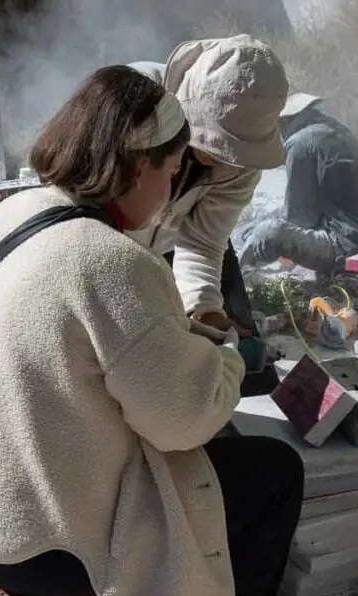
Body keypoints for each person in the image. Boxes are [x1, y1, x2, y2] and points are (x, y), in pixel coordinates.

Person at [0, 66, 309, 596]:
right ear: (140, 166)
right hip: (43, 551)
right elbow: (181, 421)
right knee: (275, 474)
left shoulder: (17, 212)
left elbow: (84, 344)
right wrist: (226, 359)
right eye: (171, 173)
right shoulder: (112, 262)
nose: (172, 191)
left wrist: (176, 339)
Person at [127, 35, 289, 394]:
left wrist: (203, 309)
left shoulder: (245, 156)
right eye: (213, 144)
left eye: (232, 150)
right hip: (110, 250)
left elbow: (202, 239)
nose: (220, 159)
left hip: (174, 246)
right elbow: (92, 231)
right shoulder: (129, 107)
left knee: (234, 366)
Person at [238, 93, 358, 281]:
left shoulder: (301, 144)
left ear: (282, 123)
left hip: (348, 246)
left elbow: (299, 218)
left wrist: (256, 230)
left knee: (268, 233)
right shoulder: (335, 131)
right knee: (258, 225)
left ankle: (236, 279)